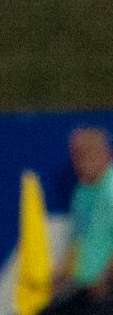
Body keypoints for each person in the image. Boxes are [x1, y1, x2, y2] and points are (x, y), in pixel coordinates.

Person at [41, 126, 113, 314]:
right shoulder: (81, 192)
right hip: (86, 286)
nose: (79, 162)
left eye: (86, 155)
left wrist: (107, 276)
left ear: (106, 153)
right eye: (76, 155)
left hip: (106, 286)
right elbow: (78, 241)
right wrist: (62, 274)